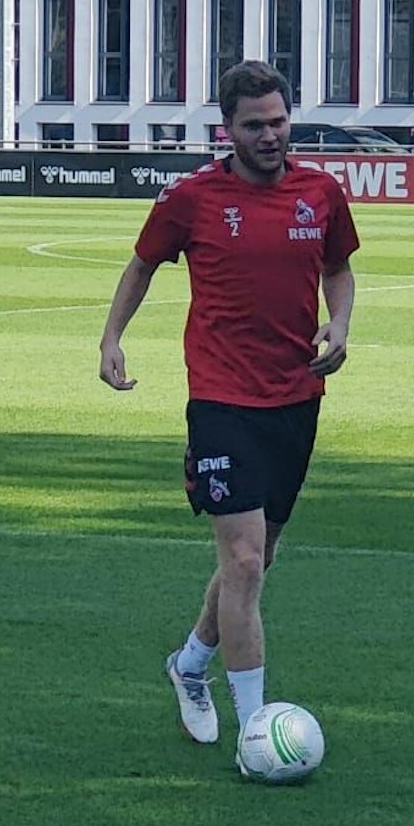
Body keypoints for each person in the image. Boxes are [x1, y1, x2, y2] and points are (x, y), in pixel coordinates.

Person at [98, 60, 360, 755]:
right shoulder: (193, 199)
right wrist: (112, 338)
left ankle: (189, 664)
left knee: (258, 558)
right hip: (220, 398)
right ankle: (256, 725)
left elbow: (339, 269)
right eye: (255, 125)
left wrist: (340, 325)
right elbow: (143, 263)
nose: (270, 135)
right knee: (242, 562)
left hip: (297, 398)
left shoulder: (322, 193)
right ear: (228, 129)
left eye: (278, 121)